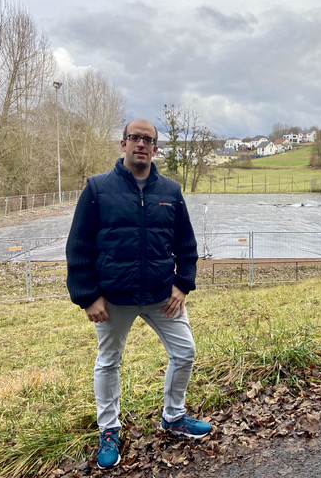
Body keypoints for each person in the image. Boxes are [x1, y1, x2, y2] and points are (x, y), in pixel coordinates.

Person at [66, 118, 211, 470]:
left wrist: (182, 283)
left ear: (156, 148)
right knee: (108, 361)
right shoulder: (97, 189)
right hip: (113, 298)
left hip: (163, 295)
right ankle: (109, 430)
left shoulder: (171, 191)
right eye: (135, 138)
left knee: (185, 351)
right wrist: (88, 295)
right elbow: (79, 245)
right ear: (123, 144)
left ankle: (173, 416)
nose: (141, 144)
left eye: (148, 139)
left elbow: (186, 244)